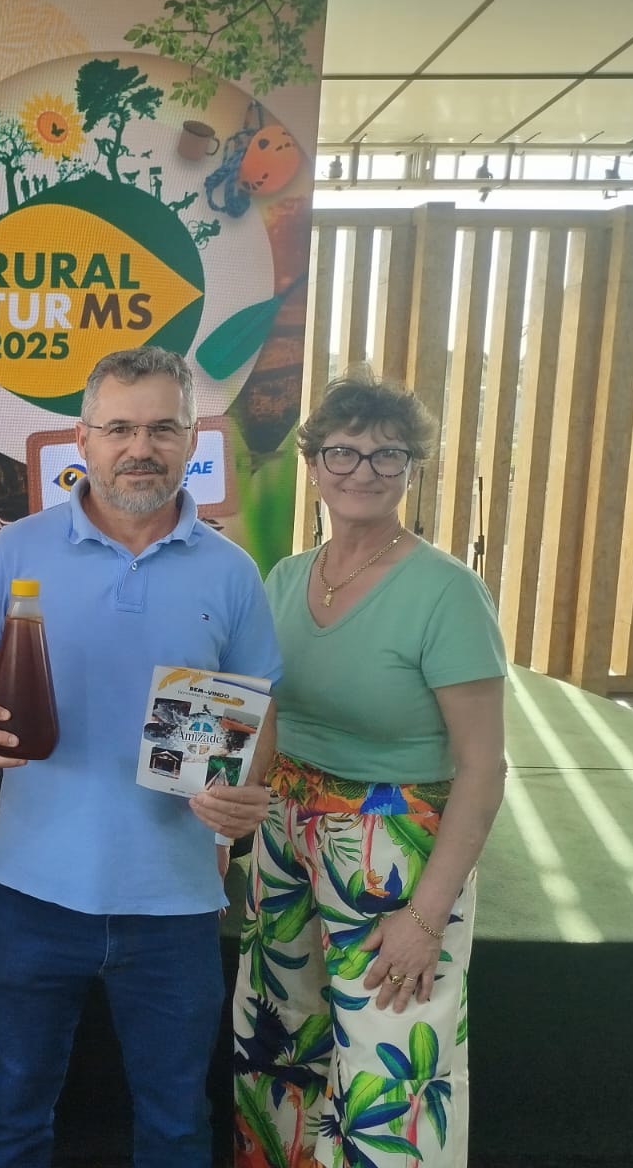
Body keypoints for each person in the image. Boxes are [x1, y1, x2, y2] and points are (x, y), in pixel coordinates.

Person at [0, 346, 283, 1168]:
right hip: (31, 891)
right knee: (14, 1116)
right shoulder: (20, 548)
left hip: (176, 903)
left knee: (175, 1126)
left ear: (190, 439)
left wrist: (244, 790)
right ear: (83, 439)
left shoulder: (232, 571)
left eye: (162, 428)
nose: (140, 447)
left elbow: (257, 703)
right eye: (120, 428)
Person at [230, 371, 506, 1168]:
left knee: (394, 1062)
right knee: (280, 1040)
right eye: (344, 452)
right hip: (285, 833)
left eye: (389, 455)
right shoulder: (286, 578)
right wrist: (225, 802)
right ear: (314, 463)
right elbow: (266, 724)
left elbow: (483, 769)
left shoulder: (447, 592)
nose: (364, 471)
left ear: (412, 469)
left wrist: (425, 916)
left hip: (395, 849)